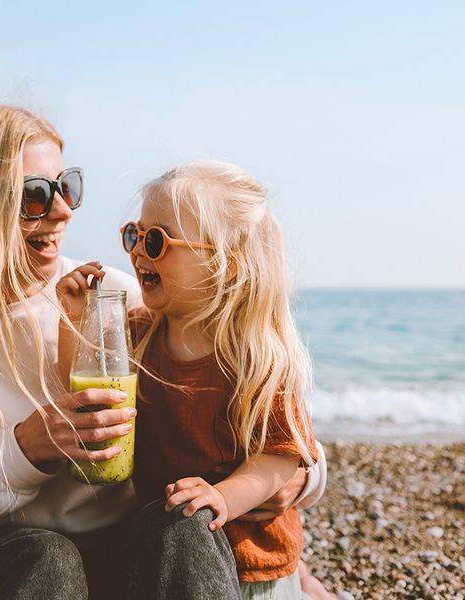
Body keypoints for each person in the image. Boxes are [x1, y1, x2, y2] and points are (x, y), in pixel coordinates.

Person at [0, 103, 327, 599]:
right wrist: (26, 447)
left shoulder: (111, 299)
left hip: (113, 555)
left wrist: (292, 485)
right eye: (35, 196)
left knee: (185, 525)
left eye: (66, 187)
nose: (64, 211)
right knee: (48, 559)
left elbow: (264, 422)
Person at [57, 160, 325, 598]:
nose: (138, 251)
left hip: (251, 565)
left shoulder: (256, 357)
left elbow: (280, 457)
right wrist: (76, 322)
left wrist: (224, 498)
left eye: (158, 240)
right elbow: (92, 394)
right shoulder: (138, 335)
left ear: (224, 265)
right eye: (134, 234)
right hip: (162, 547)